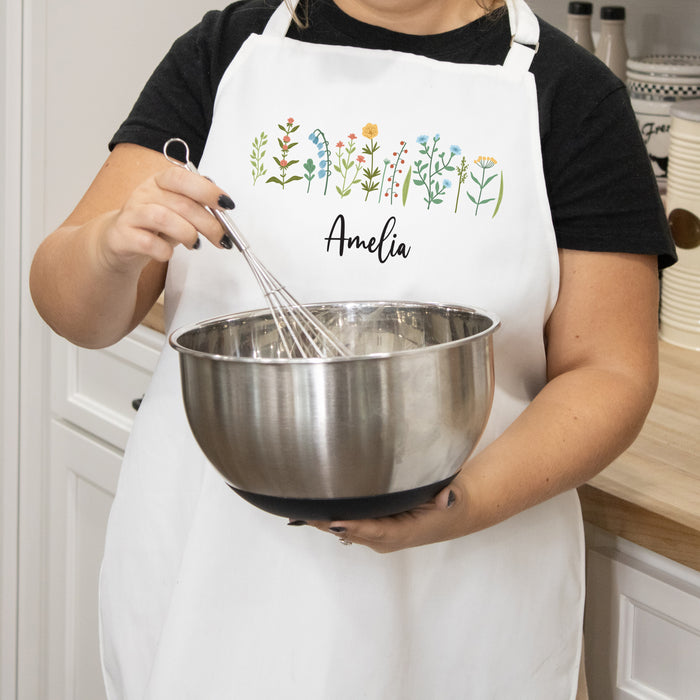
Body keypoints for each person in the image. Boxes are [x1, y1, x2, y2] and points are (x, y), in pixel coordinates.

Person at [30, 0, 675, 697]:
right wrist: (111, 246)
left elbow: (609, 370)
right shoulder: (227, 50)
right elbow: (74, 311)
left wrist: (462, 501)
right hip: (218, 582)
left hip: (466, 587)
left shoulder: (571, 95)